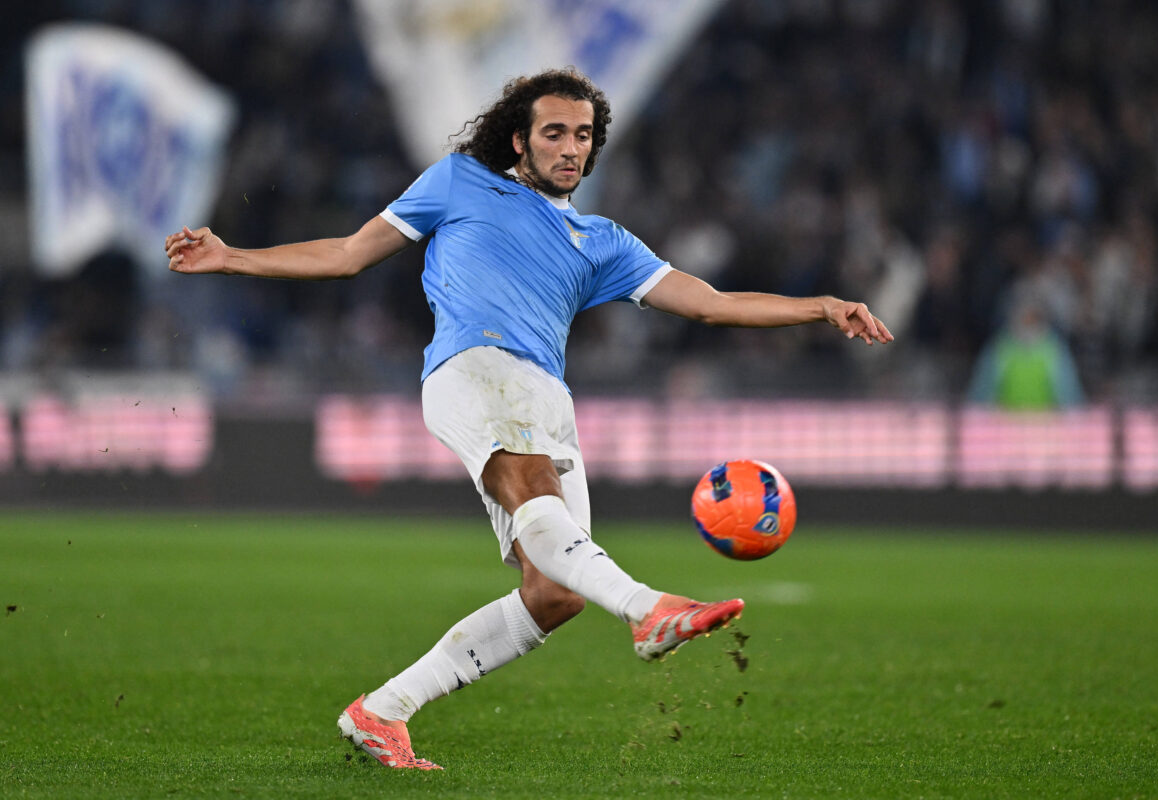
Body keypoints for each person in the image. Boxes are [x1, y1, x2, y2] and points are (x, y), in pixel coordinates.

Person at [165, 68, 893, 771]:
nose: (571, 147)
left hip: (545, 394)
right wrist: (232, 258)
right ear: (519, 140)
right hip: (471, 369)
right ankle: (647, 610)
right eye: (554, 132)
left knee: (556, 593)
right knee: (537, 497)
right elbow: (349, 254)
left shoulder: (603, 241)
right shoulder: (458, 182)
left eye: (583, 135)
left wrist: (820, 306)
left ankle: (383, 710)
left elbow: (711, 302)